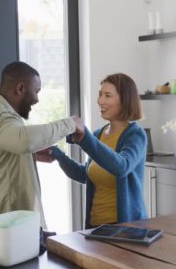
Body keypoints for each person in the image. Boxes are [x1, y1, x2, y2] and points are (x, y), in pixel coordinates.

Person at [0, 61, 84, 230]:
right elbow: (24, 140)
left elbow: (9, 147)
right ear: (20, 88)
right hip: (4, 226)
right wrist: (70, 124)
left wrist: (30, 154)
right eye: (36, 91)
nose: (37, 99)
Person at [48, 73, 148, 229]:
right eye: (100, 94)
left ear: (125, 100)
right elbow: (85, 175)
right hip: (95, 226)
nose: (101, 101)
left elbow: (121, 167)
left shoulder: (135, 135)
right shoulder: (98, 135)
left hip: (125, 228)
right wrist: (57, 154)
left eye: (108, 95)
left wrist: (85, 138)